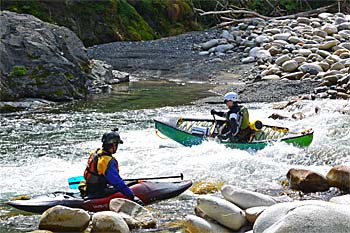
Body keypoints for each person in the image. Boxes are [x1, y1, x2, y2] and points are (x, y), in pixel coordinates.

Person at [83, 129, 144, 205]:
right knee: (126, 185)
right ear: (113, 145)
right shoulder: (107, 161)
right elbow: (117, 183)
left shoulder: (96, 153)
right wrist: (132, 197)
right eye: (117, 145)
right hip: (98, 192)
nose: (117, 147)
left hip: (89, 188)